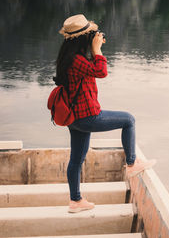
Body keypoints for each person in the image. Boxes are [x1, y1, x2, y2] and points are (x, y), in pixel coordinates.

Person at [54, 14, 156, 213]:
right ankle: (132, 163)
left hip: (74, 119)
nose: (93, 36)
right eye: (90, 34)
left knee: (76, 160)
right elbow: (101, 72)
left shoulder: (69, 57)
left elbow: (92, 68)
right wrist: (98, 49)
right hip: (87, 117)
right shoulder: (76, 60)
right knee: (129, 120)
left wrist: (94, 49)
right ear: (82, 38)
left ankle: (75, 201)